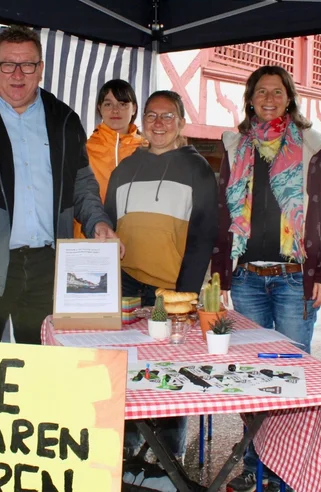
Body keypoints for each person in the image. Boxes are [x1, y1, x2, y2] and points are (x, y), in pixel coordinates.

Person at [0, 25, 117, 345]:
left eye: (28, 64)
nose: (17, 74)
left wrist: (97, 221)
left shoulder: (64, 119)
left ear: (41, 69)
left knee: (45, 369)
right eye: (8, 64)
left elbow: (82, 183)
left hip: (48, 269)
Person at [211, 65, 321, 492]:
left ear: (290, 98)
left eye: (278, 91)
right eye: (261, 91)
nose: (269, 98)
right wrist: (222, 275)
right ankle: (255, 465)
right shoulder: (235, 145)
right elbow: (221, 214)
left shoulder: (312, 145)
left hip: (293, 278)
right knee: (251, 377)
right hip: (247, 276)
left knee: (289, 378)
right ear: (250, 98)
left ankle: (286, 471)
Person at [105, 90, 219, 463]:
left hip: (171, 288)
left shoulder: (198, 169)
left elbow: (203, 237)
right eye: (152, 115)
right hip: (127, 286)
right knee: (127, 366)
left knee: (172, 371)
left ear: (182, 124)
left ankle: (170, 453)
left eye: (167, 116)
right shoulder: (125, 168)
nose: (158, 123)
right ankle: (129, 444)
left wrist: (185, 294)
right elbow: (107, 227)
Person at [73, 78, 147, 238]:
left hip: (136, 239)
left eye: (122, 104)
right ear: (99, 108)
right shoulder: (84, 150)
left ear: (134, 108)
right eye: (108, 104)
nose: (115, 110)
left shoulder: (147, 151)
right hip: (92, 237)